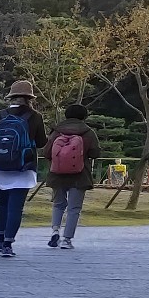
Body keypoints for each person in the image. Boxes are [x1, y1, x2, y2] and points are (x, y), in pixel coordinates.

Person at [0, 79, 48, 256]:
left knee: (1, 203)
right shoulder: (34, 116)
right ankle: (8, 244)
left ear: (11, 97)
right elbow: (41, 142)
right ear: (30, 98)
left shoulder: (1, 115)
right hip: (23, 168)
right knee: (15, 207)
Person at [45, 101, 99, 248]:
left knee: (58, 204)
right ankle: (67, 240)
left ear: (66, 115)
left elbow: (46, 153)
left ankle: (55, 231)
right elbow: (95, 153)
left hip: (57, 174)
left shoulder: (57, 131)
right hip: (79, 175)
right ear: (84, 116)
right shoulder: (88, 132)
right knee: (74, 208)